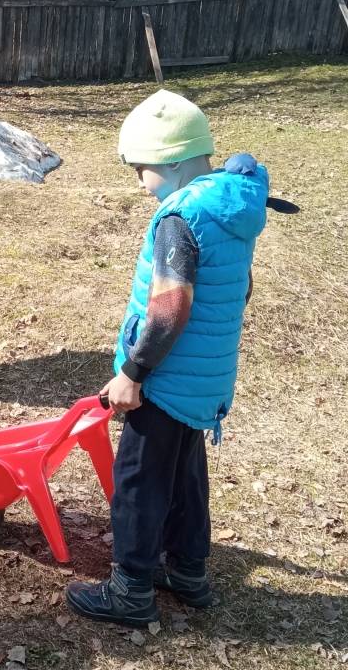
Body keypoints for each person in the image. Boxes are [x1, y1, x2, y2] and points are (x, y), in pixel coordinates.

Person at [66, 90, 268, 627]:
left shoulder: (180, 217)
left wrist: (133, 373)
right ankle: (188, 572)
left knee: (139, 481)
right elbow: (240, 289)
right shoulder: (230, 207)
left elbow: (170, 309)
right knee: (184, 474)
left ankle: (130, 590)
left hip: (169, 377)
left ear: (173, 161)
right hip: (206, 374)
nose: (140, 182)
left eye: (142, 170)